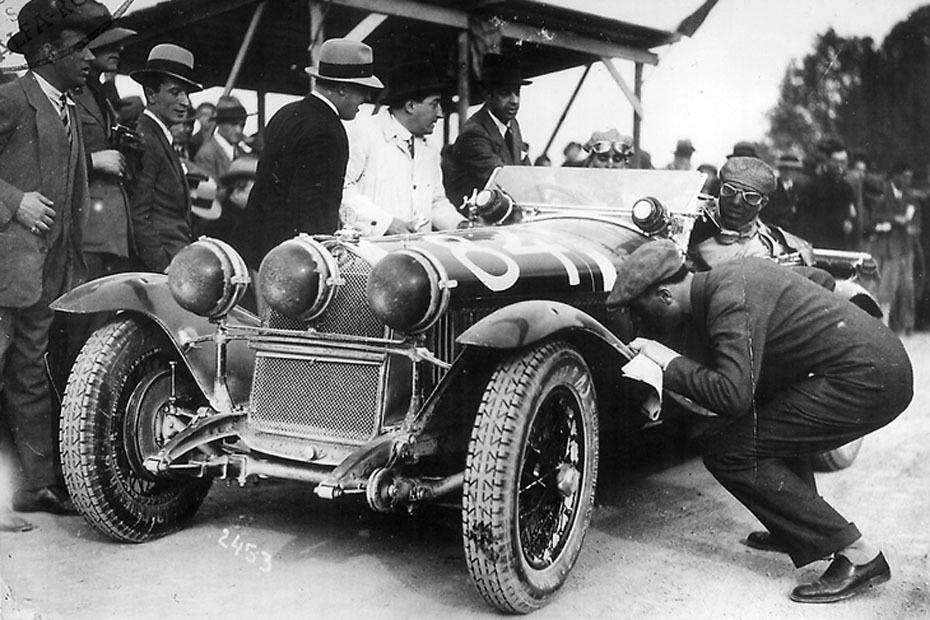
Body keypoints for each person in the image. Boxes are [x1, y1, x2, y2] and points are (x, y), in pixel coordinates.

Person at [606, 239, 911, 604]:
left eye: (643, 313)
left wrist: (668, 362)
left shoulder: (728, 300)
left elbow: (732, 398)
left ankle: (859, 554)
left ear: (665, 296)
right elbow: (818, 278)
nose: (644, 323)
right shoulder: (730, 277)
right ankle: (798, 529)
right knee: (767, 416)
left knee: (729, 451)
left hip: (871, 379)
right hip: (877, 362)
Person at [0, 0, 109, 529]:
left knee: (28, 375)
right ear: (48, 52)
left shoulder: (67, 106)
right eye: (81, 48)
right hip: (5, 271)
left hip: (45, 274)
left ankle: (35, 485)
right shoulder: (10, 99)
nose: (92, 59)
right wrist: (14, 200)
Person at [232, 38, 383, 272]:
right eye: (362, 90)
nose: (366, 99)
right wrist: (322, 263)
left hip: (256, 249)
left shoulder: (286, 113)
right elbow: (313, 209)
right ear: (342, 88)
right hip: (292, 263)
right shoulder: (328, 130)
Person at [341, 61, 465, 235]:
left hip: (418, 253)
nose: (440, 113)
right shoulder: (363, 133)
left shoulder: (430, 148)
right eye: (434, 104)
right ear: (410, 106)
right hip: (371, 253)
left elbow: (436, 202)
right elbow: (343, 189)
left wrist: (461, 225)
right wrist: (385, 223)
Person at [127, 44, 202, 273]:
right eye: (175, 92)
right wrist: (163, 266)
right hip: (164, 268)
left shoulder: (159, 136)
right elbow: (138, 215)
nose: (185, 102)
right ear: (151, 94)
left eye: (186, 93)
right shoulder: (146, 139)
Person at [74, 21, 136, 280]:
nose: (119, 49)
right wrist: (92, 161)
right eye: (109, 44)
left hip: (109, 229)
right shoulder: (73, 94)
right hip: (87, 229)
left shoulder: (101, 95)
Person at [688, 157, 814, 270]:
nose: (736, 202)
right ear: (720, 189)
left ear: (763, 203)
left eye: (750, 197)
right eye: (729, 190)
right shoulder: (689, 220)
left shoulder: (772, 249)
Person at [442, 53, 532, 208]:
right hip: (473, 223)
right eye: (505, 93)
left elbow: (526, 171)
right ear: (487, 94)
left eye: (517, 92)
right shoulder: (473, 133)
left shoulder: (513, 124)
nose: (514, 101)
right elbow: (504, 180)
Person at [865, 162, 920, 334]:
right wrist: (896, 219)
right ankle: (886, 324)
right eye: (904, 176)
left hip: (906, 246)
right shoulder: (882, 193)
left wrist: (913, 229)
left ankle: (907, 324)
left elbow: (917, 222)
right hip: (887, 246)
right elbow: (875, 216)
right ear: (895, 175)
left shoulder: (911, 197)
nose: (907, 180)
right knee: (886, 286)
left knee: (907, 286)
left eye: (909, 177)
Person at [795, 137, 857, 250]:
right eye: (835, 161)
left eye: (843, 162)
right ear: (827, 162)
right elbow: (803, 221)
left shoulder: (847, 188)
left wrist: (849, 221)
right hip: (817, 244)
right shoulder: (811, 187)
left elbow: (851, 214)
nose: (839, 166)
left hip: (840, 244)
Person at [194, 96, 252, 182]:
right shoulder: (207, 154)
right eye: (233, 124)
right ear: (220, 123)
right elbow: (208, 191)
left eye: (242, 125)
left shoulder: (240, 152)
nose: (238, 130)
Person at [763, 153, 805, 230]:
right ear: (780, 169)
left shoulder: (800, 188)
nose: (788, 172)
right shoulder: (772, 187)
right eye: (785, 168)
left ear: (795, 171)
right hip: (776, 229)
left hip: (796, 232)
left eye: (792, 169)